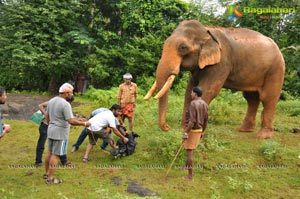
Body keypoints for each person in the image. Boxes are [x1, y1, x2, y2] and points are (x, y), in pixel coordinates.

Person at [44, 83, 91, 184]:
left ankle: (47, 173)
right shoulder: (65, 104)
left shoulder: (52, 100)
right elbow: (71, 121)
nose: (72, 95)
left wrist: (51, 124)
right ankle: (51, 179)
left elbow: (47, 116)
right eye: (71, 93)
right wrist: (85, 123)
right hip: (60, 132)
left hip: (51, 129)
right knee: (56, 155)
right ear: (65, 93)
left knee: (49, 152)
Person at [34, 96, 74, 167]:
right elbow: (40, 105)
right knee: (42, 143)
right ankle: (38, 161)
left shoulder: (64, 105)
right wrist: (46, 113)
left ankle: (64, 161)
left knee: (60, 143)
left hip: (54, 126)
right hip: (45, 125)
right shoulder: (53, 102)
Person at [182, 87, 208, 181]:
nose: (191, 94)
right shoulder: (205, 104)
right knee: (191, 149)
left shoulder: (193, 103)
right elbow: (206, 120)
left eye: (192, 93)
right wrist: (203, 131)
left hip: (192, 130)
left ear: (195, 94)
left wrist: (186, 132)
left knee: (190, 153)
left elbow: (192, 121)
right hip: (199, 130)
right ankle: (186, 166)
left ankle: (190, 176)